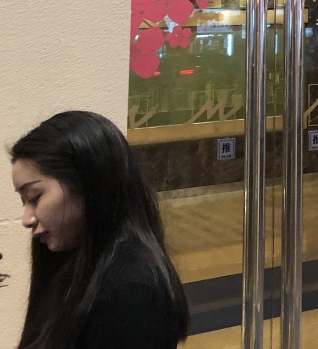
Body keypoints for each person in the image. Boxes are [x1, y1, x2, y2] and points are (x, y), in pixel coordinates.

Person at [10, 110, 190, 349]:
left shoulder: (132, 290)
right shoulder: (71, 259)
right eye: (24, 201)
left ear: (86, 184)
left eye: (35, 197)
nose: (27, 219)